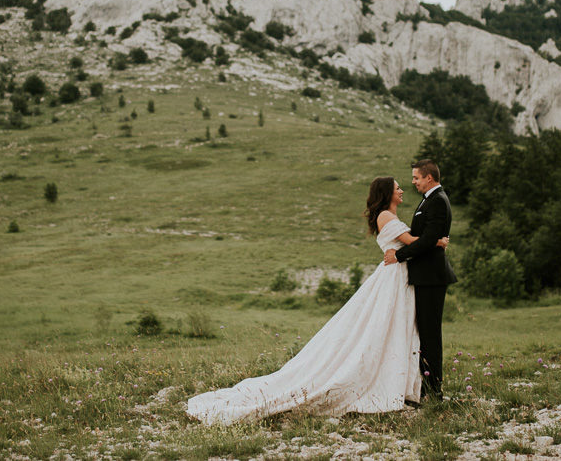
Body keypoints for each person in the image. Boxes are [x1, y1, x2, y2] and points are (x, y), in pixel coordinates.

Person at [186, 177, 448, 424]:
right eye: (398, 187)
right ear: (386, 193)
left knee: (392, 327)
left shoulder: (389, 215)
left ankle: (397, 379)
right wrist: (438, 241)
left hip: (396, 274)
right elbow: (413, 241)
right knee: (383, 326)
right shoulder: (386, 216)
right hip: (393, 276)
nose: (403, 190)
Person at [383, 159, 456, 401]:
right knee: (424, 332)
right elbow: (425, 237)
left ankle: (434, 390)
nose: (413, 182)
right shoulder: (429, 200)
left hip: (432, 277)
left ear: (429, 178)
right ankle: (425, 385)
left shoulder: (438, 201)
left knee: (430, 333)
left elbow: (426, 240)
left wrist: (399, 256)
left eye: (416, 178)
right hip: (424, 276)